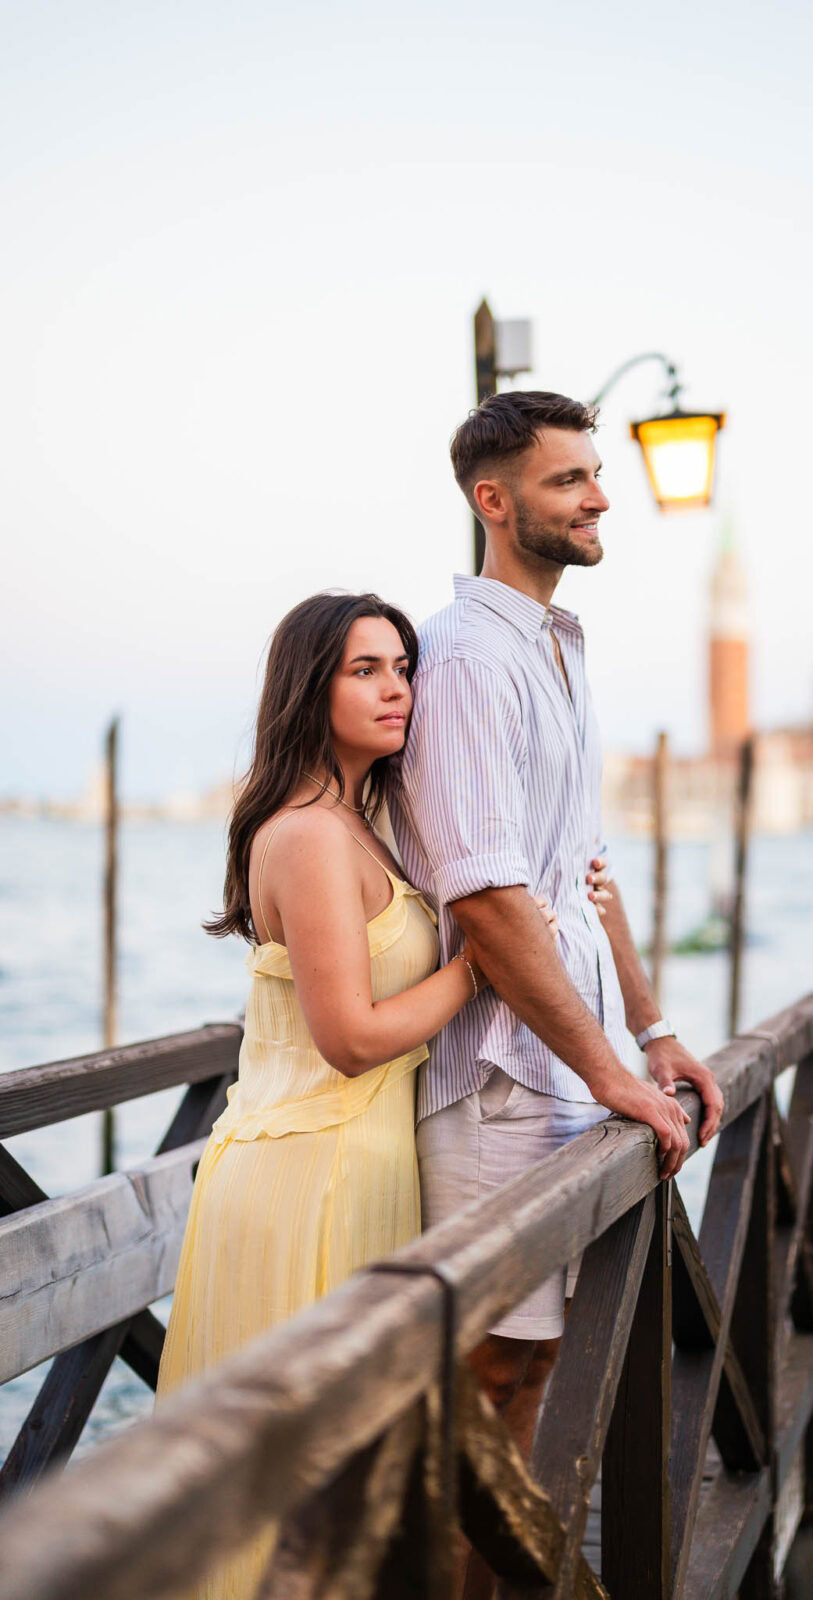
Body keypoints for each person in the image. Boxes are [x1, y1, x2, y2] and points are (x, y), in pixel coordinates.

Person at [156, 589, 557, 1599]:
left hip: (356, 1163)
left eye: (403, 667)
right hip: (311, 1174)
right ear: (308, 687)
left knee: (347, 1483)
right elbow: (349, 1039)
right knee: (296, 1488)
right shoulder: (306, 834)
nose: (398, 690)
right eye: (364, 669)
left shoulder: (361, 820)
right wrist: (480, 964)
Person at [390, 391, 725, 1584]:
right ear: (494, 501)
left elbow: (581, 875)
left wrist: (655, 1032)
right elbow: (484, 898)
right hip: (495, 1079)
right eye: (568, 480)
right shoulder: (471, 657)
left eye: (596, 475)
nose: (597, 498)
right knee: (486, 1384)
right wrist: (607, 1073)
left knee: (533, 1372)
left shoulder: (554, 644)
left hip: (569, 1069)